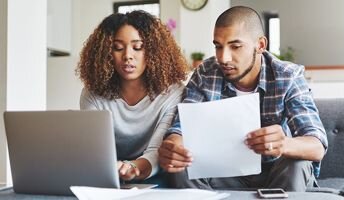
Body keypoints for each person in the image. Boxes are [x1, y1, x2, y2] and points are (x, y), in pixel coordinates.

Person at [158, 6, 328, 191]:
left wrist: (284, 144)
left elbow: (316, 146)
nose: (223, 58)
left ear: (261, 45)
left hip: (276, 174)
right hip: (224, 173)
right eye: (218, 46)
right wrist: (174, 145)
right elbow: (181, 127)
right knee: (181, 166)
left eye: (235, 46)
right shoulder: (206, 74)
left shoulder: (288, 76)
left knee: (297, 163)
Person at [76, 10, 188, 182]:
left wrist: (133, 168)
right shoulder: (93, 93)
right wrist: (116, 169)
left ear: (153, 52)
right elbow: (94, 149)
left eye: (138, 47)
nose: (128, 56)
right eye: (117, 48)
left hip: (151, 173)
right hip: (108, 173)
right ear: (106, 53)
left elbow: (157, 150)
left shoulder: (172, 92)